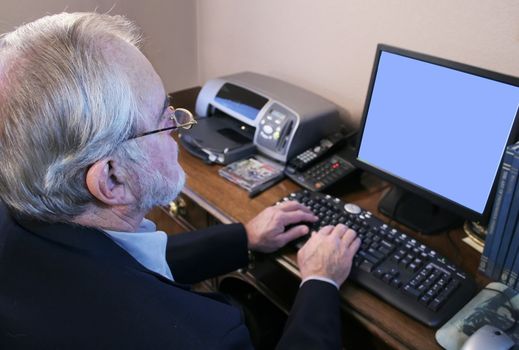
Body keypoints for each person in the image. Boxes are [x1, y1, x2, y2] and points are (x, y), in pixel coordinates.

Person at [0, 12, 360, 349]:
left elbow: (127, 263)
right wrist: (319, 281)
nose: (179, 125)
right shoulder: (200, 337)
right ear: (111, 179)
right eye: (162, 117)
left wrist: (245, 237)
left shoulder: (21, 217)